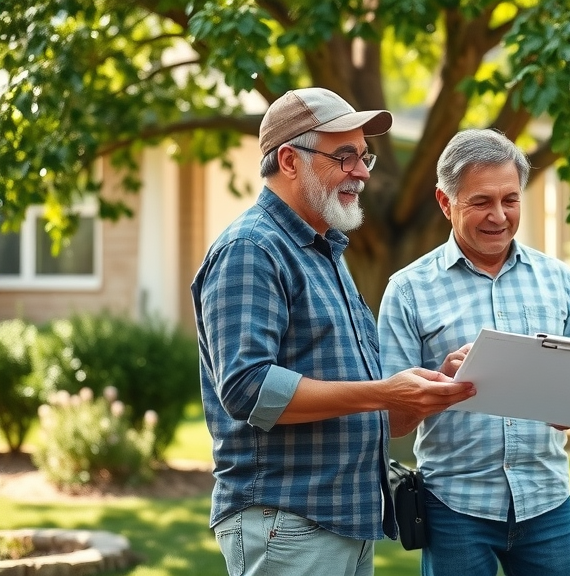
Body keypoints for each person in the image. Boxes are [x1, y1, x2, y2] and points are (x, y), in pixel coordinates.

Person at [191, 87, 476, 576]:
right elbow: (248, 389)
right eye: (344, 156)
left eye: (364, 156)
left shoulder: (324, 252)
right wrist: (382, 390)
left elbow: (363, 408)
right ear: (289, 160)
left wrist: (424, 391)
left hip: (343, 520)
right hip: (288, 521)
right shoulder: (251, 249)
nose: (363, 172)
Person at [377, 128, 570, 576]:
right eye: (480, 202)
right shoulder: (407, 290)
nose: (498, 216)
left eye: (510, 200)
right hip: (454, 507)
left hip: (546, 500)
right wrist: (437, 382)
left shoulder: (561, 281)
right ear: (445, 202)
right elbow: (392, 422)